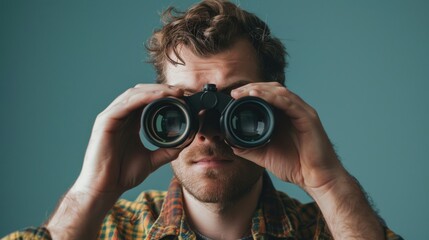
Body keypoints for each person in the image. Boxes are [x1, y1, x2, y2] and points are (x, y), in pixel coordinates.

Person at [3, 1, 402, 239]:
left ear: (275, 108)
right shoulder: (114, 232)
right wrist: (91, 192)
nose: (208, 132)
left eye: (237, 106)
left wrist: (329, 182)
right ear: (154, 106)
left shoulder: (325, 231)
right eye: (185, 108)